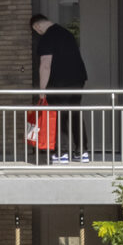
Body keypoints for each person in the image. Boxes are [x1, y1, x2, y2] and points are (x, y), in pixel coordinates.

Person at [30, 10, 89, 160]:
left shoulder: (47, 37)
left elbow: (45, 65)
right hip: (77, 80)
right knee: (75, 113)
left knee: (58, 116)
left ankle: (61, 153)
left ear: (37, 26)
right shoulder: (67, 34)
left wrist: (42, 90)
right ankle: (82, 151)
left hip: (58, 83)